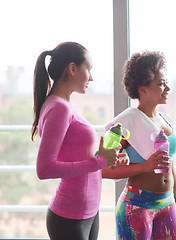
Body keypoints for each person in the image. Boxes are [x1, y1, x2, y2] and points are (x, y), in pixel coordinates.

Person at [31, 42, 123, 240]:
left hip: (88, 211)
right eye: (89, 69)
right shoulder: (59, 108)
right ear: (73, 68)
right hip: (70, 217)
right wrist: (99, 161)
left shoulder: (62, 105)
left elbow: (77, 158)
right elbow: (44, 169)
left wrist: (107, 160)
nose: (92, 77)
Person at [102, 51, 176, 240]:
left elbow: (170, 169)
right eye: (161, 83)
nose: (168, 87)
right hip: (136, 208)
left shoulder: (165, 120)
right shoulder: (123, 124)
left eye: (166, 82)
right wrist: (144, 166)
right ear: (142, 89)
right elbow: (102, 170)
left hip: (167, 206)